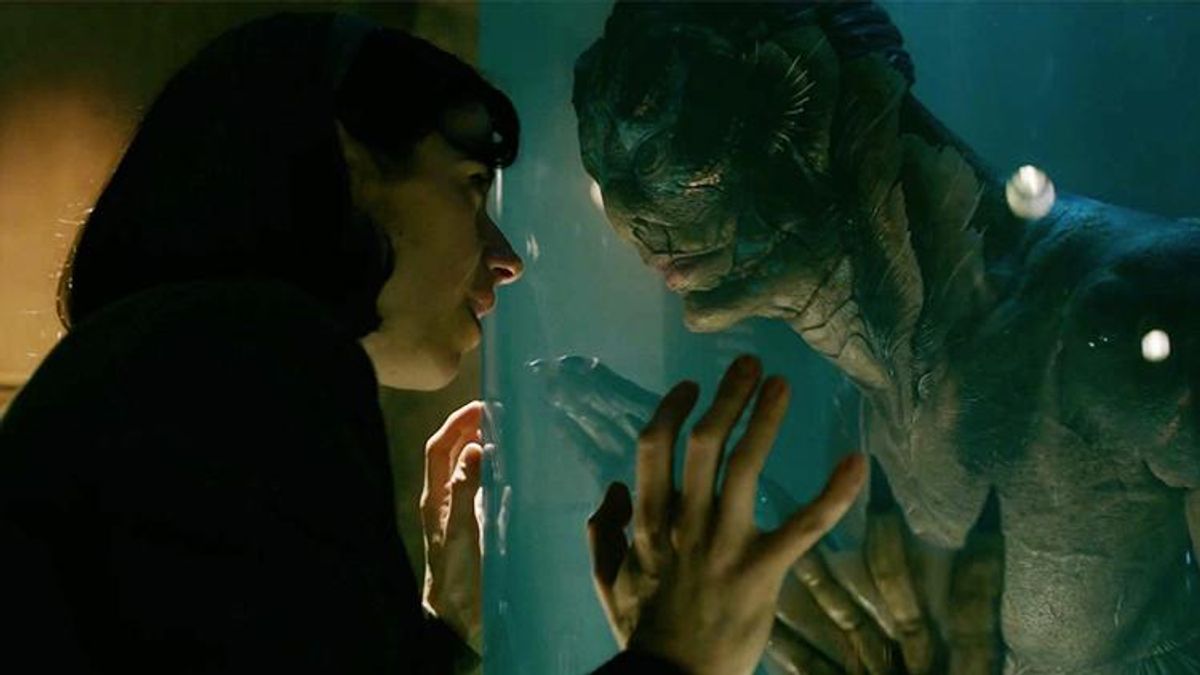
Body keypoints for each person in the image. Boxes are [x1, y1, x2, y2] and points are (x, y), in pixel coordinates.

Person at [0, 12, 865, 675]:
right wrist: (679, 656)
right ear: (349, 169)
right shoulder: (240, 353)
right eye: (469, 185)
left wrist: (438, 640)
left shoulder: (160, 369)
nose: (507, 257)